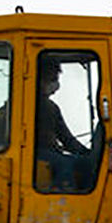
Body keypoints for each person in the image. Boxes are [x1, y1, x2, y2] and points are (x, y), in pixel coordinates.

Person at [36, 61, 91, 191]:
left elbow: (66, 139)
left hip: (47, 153)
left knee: (82, 162)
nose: (55, 85)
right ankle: (64, 196)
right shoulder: (40, 106)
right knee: (65, 164)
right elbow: (67, 140)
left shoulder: (49, 107)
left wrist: (86, 153)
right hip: (35, 154)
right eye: (52, 79)